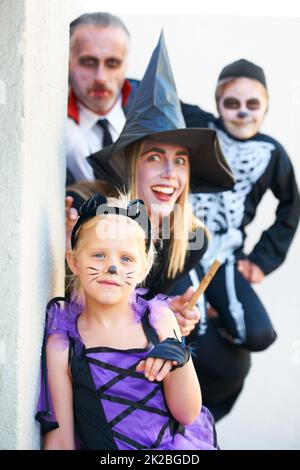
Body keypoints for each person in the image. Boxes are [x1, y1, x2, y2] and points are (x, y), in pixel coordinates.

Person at [81, 34, 251, 421]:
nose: (169, 175)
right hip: (93, 360)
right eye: (154, 157)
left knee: (228, 366)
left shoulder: (190, 239)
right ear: (130, 164)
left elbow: (145, 304)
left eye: (180, 161)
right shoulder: (97, 216)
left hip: (145, 356)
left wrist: (171, 312)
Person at [36, 193, 218, 450]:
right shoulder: (63, 344)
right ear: (74, 261)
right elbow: (60, 440)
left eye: (126, 258)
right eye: (99, 255)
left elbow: (187, 414)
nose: (112, 268)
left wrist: (180, 360)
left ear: (143, 269)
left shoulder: (159, 321)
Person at [180, 59, 300, 351]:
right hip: (182, 247)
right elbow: (156, 92)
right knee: (192, 331)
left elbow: (291, 205)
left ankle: (216, 314)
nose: (243, 112)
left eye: (253, 104)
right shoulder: (198, 125)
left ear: (266, 107)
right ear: (218, 104)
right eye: (232, 103)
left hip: (225, 254)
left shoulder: (271, 153)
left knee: (259, 335)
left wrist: (262, 260)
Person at [67, 12, 139, 184]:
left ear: (125, 66)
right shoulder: (48, 125)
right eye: (88, 62)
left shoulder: (153, 106)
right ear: (68, 62)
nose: (101, 77)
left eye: (112, 63)